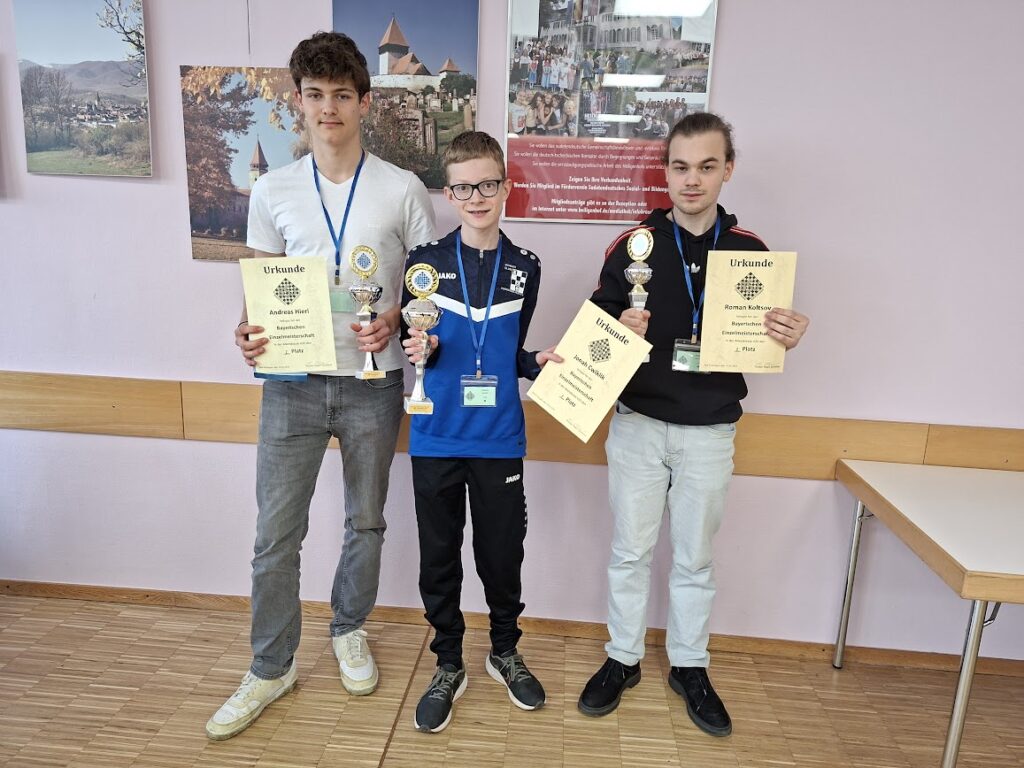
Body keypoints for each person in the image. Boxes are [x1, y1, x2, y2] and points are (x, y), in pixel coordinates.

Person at [207, 31, 436, 741]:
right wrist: (247, 332)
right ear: (299, 103)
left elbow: (427, 292)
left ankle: (348, 629)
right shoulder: (273, 189)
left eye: (341, 94)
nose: (328, 107)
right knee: (275, 535)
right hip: (292, 385)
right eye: (315, 95)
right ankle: (270, 666)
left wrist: (396, 316)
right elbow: (261, 292)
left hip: (375, 382)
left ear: (365, 102)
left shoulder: (403, 189)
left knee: (366, 521)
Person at [578, 113, 809, 736]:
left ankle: (689, 664)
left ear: (727, 170)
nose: (692, 180)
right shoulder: (632, 247)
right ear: (665, 172)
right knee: (629, 551)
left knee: (695, 558)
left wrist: (787, 334)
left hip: (710, 430)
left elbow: (763, 338)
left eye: (707, 166)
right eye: (680, 167)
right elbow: (592, 336)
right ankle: (622, 658)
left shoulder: (751, 252)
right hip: (638, 422)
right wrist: (614, 329)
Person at [399, 131, 562, 733]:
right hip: (436, 436)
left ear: (506, 187)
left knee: (501, 554)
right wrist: (423, 347)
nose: (476, 197)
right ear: (448, 194)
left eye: (487, 184)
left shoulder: (526, 267)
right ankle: (448, 662)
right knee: (439, 558)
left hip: (499, 437)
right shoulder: (424, 264)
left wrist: (533, 362)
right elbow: (421, 342)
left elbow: (507, 351)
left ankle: (504, 652)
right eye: (463, 188)